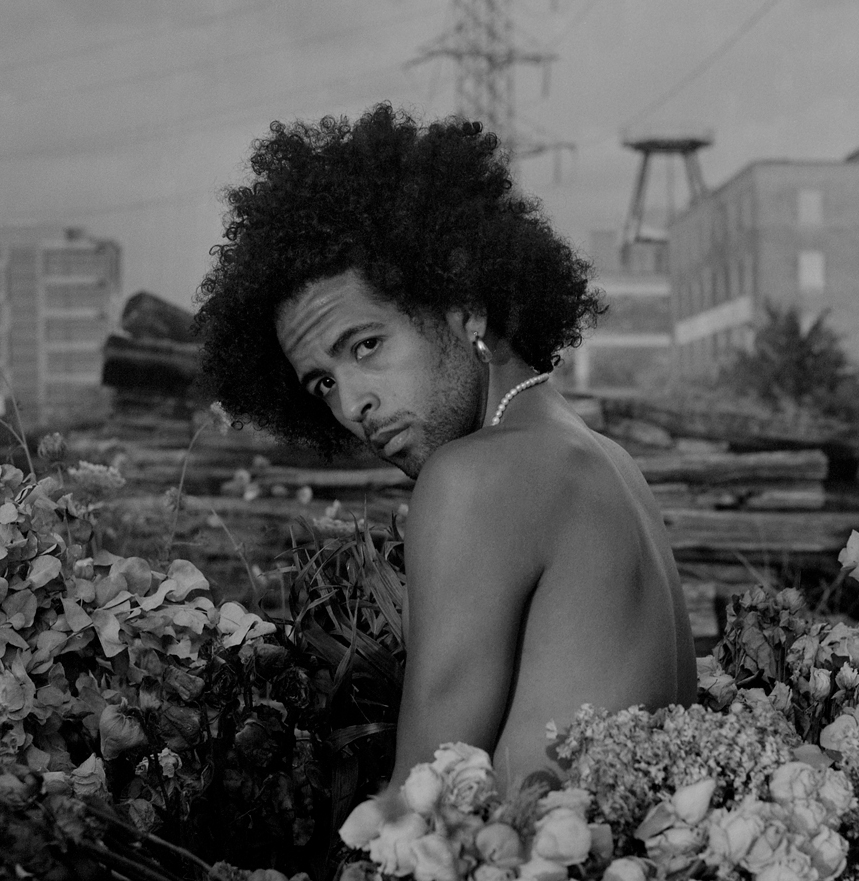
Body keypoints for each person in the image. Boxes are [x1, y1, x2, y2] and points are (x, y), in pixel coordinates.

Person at [194, 104, 695, 793]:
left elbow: (422, 800)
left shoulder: (475, 476)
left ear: (465, 305)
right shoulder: (606, 462)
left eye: (366, 346)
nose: (351, 404)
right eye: (321, 384)